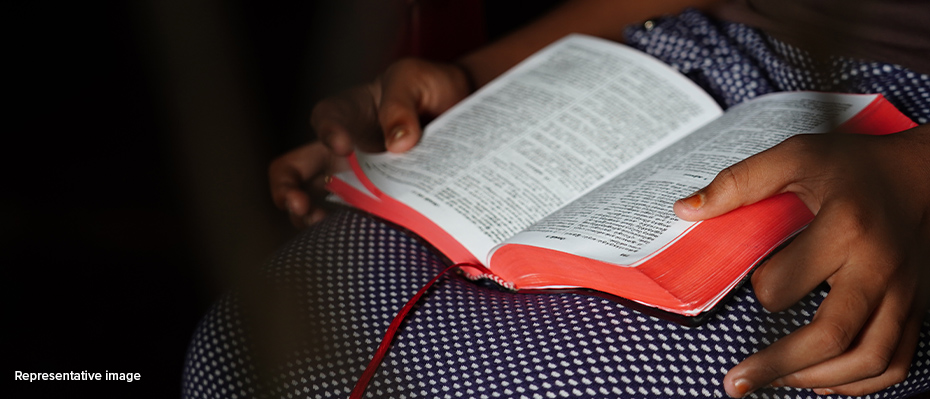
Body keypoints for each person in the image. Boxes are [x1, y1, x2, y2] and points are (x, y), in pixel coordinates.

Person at [185, 1, 930, 398]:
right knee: (241, 354)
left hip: (896, 139)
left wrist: (914, 170)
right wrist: (476, 78)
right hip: (671, 62)